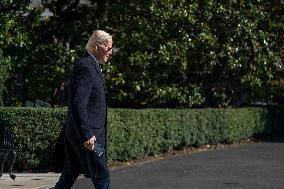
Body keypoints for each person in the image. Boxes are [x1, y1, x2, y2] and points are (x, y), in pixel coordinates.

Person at [54, 30, 113, 189]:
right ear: (96, 47)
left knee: (68, 176)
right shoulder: (86, 66)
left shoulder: (93, 66)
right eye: (108, 48)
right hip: (88, 137)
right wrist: (87, 134)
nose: (111, 52)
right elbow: (78, 102)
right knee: (102, 177)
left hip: (82, 135)